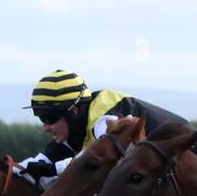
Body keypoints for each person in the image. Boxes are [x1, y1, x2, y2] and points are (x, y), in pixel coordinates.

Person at [15, 68, 185, 187]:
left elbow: (100, 162)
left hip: (189, 160)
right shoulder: (73, 130)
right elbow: (37, 164)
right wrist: (2, 171)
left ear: (74, 111)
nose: (45, 127)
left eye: (49, 118)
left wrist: (53, 169)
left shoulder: (103, 120)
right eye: (41, 119)